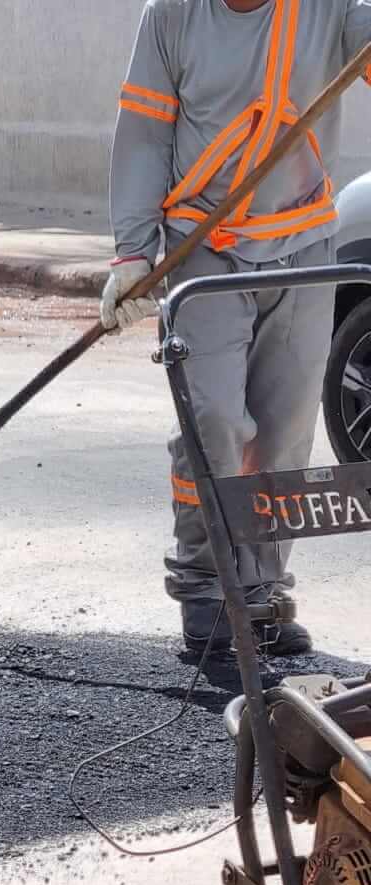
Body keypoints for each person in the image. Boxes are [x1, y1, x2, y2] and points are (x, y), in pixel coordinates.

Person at [103, 0, 371, 655]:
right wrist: (134, 253)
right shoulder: (172, 17)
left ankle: (261, 593)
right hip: (203, 247)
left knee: (282, 435)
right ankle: (204, 585)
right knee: (213, 421)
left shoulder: (330, 10)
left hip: (301, 244)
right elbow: (144, 134)